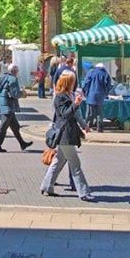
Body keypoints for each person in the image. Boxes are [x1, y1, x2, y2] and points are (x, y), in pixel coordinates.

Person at [40, 71, 94, 201]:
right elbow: (65, 114)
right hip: (64, 134)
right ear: (67, 82)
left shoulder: (71, 95)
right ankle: (84, 192)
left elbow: (77, 114)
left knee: (58, 162)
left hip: (69, 133)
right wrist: (75, 104)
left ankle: (47, 186)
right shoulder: (60, 97)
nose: (74, 83)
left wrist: (84, 125)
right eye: (73, 81)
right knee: (75, 164)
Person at [0, 64, 32, 153]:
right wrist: (23, 93)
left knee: (15, 127)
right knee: (3, 127)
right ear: (15, 71)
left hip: (4, 105)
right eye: (17, 71)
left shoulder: (2, 78)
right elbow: (15, 94)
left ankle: (22, 143)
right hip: (8, 107)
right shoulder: (13, 79)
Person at [81, 62, 112, 132]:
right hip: (101, 95)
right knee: (99, 112)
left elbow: (86, 83)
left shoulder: (91, 72)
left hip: (91, 95)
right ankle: (100, 128)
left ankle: (88, 126)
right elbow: (109, 85)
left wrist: (85, 92)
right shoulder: (105, 73)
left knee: (90, 112)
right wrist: (106, 92)